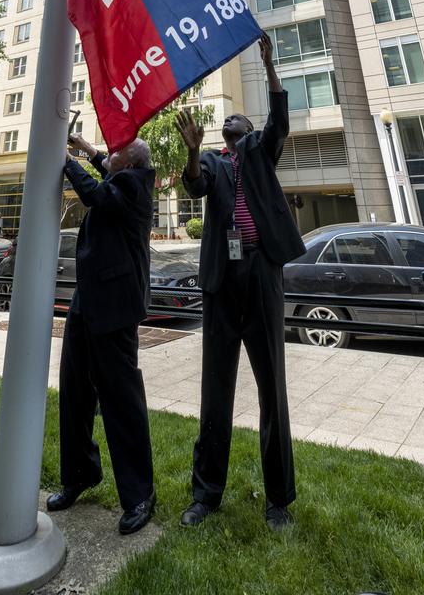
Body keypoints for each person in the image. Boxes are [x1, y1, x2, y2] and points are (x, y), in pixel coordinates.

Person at [176, 31, 305, 532]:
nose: (230, 122)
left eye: (239, 120)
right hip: (222, 281)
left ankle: (279, 500)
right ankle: (206, 494)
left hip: (262, 273)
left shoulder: (257, 149)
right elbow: (194, 186)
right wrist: (190, 153)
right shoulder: (210, 158)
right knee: (216, 388)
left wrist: (270, 66)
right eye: (225, 122)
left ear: (247, 129)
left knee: (273, 385)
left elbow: (280, 123)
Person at [46, 132, 156, 536]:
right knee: (75, 392)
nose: (108, 155)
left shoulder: (134, 185)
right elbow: (105, 172)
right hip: (87, 301)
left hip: (114, 307)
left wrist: (66, 159)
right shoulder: (124, 177)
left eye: (116, 152)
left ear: (129, 164)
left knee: (121, 402)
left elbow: (97, 193)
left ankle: (140, 494)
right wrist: (86, 149)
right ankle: (79, 475)